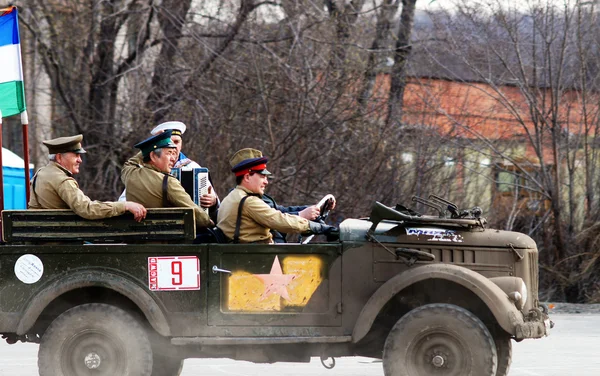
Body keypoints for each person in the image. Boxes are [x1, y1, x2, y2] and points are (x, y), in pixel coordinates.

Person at [217, 148, 337, 244]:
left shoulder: (233, 197)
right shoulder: (248, 201)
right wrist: (323, 229)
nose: (266, 182)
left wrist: (313, 210)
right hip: (256, 258)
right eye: (262, 177)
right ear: (247, 177)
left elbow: (278, 211)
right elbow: (280, 221)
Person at [28, 134, 146, 221]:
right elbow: (87, 209)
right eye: (76, 155)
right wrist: (124, 205)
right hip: (60, 243)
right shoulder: (62, 180)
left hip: (43, 237)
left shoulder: (41, 173)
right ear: (59, 158)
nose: (80, 160)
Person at [118, 121, 219, 212]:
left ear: (181, 144)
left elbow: (215, 201)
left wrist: (213, 201)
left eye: (176, 142)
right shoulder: (145, 170)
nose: (174, 147)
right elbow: (124, 200)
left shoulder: (193, 167)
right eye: (169, 143)